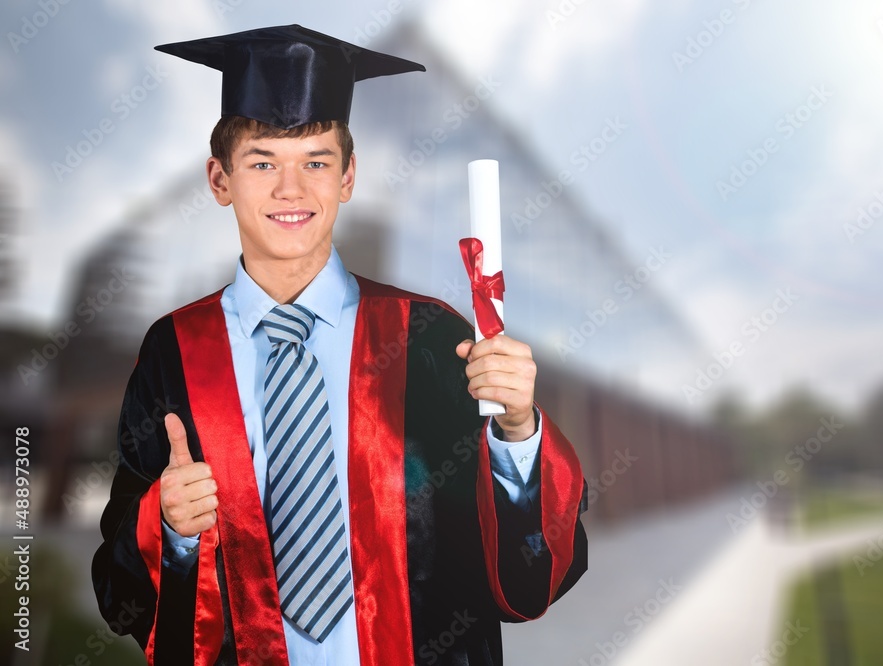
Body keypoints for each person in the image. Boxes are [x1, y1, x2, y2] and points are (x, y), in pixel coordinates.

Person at [91, 24, 588, 666]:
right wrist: (168, 530)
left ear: (348, 176)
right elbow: (118, 590)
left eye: (316, 163)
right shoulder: (174, 351)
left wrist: (517, 430)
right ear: (219, 179)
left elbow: (522, 575)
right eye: (262, 161)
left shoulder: (431, 339)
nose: (290, 190)